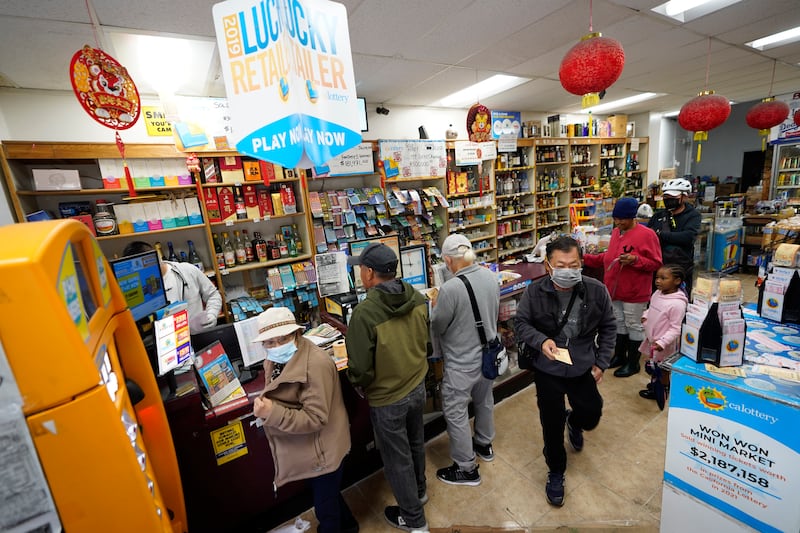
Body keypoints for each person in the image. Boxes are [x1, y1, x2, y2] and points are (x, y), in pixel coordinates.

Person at [514, 236, 616, 508]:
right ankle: (556, 470)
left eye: (574, 264)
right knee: (551, 421)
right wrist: (541, 341)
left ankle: (576, 422)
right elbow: (521, 323)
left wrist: (602, 361)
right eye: (561, 265)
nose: (568, 270)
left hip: (582, 364)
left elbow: (608, 327)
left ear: (581, 263)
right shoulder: (535, 292)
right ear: (548, 266)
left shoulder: (596, 290)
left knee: (592, 412)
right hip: (547, 368)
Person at [345, 243, 431, 532]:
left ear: (369, 273)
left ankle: (414, 519)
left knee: (397, 458)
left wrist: (360, 384)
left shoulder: (364, 313)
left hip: (387, 398)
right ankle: (419, 492)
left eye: (360, 268)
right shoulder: (418, 298)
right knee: (416, 442)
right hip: (417, 385)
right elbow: (425, 342)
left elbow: (359, 367)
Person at [251, 307, 358, 533]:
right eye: (269, 342)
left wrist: (271, 412)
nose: (276, 346)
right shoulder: (283, 357)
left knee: (324, 508)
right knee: (329, 496)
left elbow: (315, 418)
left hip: (324, 451)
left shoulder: (315, 365)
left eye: (283, 339)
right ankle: (349, 526)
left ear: (297, 334)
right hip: (316, 448)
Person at [430, 234, 500, 487]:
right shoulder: (492, 277)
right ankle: (484, 443)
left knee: (456, 412)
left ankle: (466, 468)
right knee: (484, 401)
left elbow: (437, 323)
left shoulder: (450, 288)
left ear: (448, 260)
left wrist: (436, 304)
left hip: (462, 363)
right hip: (488, 357)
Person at [584, 197, 662, 378]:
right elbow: (608, 257)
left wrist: (635, 260)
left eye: (622, 219)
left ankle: (633, 362)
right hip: (614, 290)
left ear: (633, 216)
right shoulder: (616, 232)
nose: (618, 222)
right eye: (616, 219)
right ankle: (619, 355)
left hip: (635, 291)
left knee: (634, 325)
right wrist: (585, 258)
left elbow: (656, 263)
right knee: (618, 323)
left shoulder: (647, 235)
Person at [122, 241, 221, 333]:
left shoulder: (187, 270)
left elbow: (213, 295)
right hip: (166, 344)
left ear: (156, 256)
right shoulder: (138, 290)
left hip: (198, 336)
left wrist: (212, 314)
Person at [638, 264, 688, 408]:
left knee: (663, 368)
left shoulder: (677, 304)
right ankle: (655, 384)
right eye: (657, 277)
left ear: (677, 281)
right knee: (654, 365)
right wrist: (645, 315)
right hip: (653, 340)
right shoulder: (657, 294)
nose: (658, 281)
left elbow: (676, 328)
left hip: (664, 345)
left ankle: (662, 389)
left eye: (663, 278)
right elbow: (651, 308)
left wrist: (663, 342)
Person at [647, 178, 701, 295]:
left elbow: (688, 237)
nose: (668, 201)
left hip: (680, 269)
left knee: (679, 300)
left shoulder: (693, 216)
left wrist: (661, 234)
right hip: (659, 267)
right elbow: (648, 235)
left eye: (673, 198)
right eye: (666, 198)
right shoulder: (659, 216)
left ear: (684, 197)